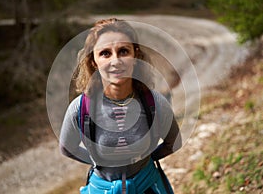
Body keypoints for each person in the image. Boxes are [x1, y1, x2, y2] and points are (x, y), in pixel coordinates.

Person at [60, 18, 182, 194]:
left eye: (123, 51)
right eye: (105, 53)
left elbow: (173, 142)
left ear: (135, 56)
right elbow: (66, 147)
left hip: (148, 187)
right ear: (93, 61)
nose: (115, 61)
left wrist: (144, 160)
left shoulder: (155, 103)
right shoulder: (80, 109)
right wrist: (98, 161)